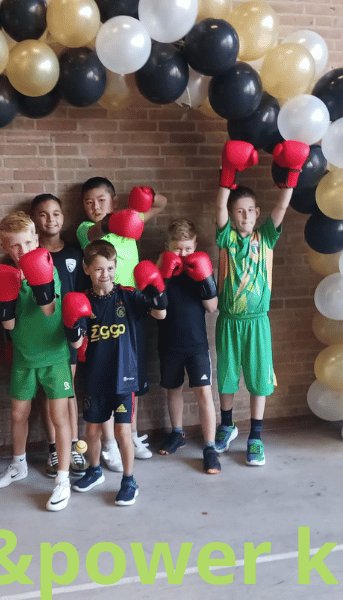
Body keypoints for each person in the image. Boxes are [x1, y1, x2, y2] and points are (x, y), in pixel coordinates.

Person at [213, 139, 310, 466]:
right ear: (232, 216)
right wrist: (228, 175)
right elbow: (219, 207)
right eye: (238, 211)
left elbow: (281, 208)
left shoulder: (265, 237)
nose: (244, 216)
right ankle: (227, 426)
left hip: (257, 323)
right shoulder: (226, 238)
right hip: (229, 321)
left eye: (249, 211)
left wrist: (293, 173)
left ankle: (255, 437)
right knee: (227, 377)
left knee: (259, 380)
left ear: (256, 213)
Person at [65, 240, 167, 506]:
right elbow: (76, 344)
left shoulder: (128, 295)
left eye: (109, 268)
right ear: (87, 269)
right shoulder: (83, 301)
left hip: (124, 376)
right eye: (99, 269)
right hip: (95, 375)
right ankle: (94, 470)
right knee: (92, 429)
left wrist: (157, 290)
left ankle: (129, 480)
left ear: (115, 267)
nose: (105, 274)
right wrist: (73, 327)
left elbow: (160, 314)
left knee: (123, 430)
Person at [76, 177, 167, 464]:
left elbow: (162, 204)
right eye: (89, 202)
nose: (95, 206)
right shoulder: (85, 229)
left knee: (131, 376)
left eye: (101, 200)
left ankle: (131, 434)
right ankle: (109, 444)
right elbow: (94, 233)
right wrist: (111, 222)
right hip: (103, 307)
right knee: (104, 377)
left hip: (132, 307)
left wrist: (144, 198)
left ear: (114, 202)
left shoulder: (130, 225)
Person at [0, 211, 75, 512]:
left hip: (54, 356)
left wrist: (34, 277)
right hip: (24, 357)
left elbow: (49, 310)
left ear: (36, 240)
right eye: (14, 245)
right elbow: (9, 326)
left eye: (27, 243)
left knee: (59, 417)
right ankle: (19, 464)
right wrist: (7, 295)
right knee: (18, 414)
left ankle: (62, 479)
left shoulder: (48, 269)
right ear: (4, 246)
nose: (21, 250)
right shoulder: (3, 276)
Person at [155, 219, 220, 474]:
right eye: (177, 248)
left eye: (188, 248)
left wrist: (204, 279)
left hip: (196, 344)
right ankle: (177, 433)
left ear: (195, 245)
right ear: (168, 246)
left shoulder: (201, 267)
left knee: (204, 393)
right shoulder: (160, 270)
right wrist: (162, 277)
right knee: (173, 390)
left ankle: (210, 447)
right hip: (169, 342)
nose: (182, 254)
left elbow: (212, 308)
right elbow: (154, 310)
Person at [30, 193, 88, 477]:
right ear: (34, 220)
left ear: (63, 217)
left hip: (69, 332)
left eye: (55, 213)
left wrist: (83, 327)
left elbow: (83, 292)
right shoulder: (29, 255)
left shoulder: (75, 253)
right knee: (48, 393)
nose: (50, 219)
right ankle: (54, 448)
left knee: (67, 390)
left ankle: (74, 447)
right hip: (41, 334)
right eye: (43, 214)